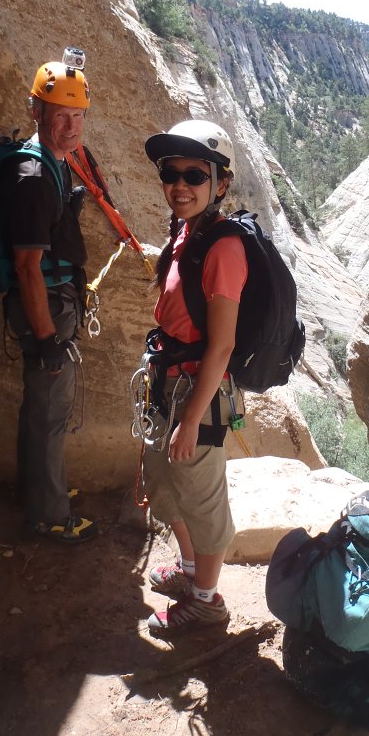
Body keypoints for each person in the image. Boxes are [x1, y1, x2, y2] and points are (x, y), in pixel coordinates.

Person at [140, 119, 247, 637]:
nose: (179, 185)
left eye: (193, 175)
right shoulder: (186, 231)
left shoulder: (224, 248)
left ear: (219, 183)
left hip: (196, 391)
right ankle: (188, 574)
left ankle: (207, 601)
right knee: (164, 486)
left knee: (203, 499)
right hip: (169, 379)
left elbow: (222, 344)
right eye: (170, 173)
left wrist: (190, 419)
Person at [0, 56, 97, 544]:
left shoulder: (48, 163)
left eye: (77, 116)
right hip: (46, 310)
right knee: (49, 412)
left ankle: (41, 492)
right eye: (60, 115)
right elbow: (26, 267)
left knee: (40, 409)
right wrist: (45, 340)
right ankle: (51, 514)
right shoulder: (33, 175)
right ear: (36, 110)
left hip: (53, 302)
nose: (71, 127)